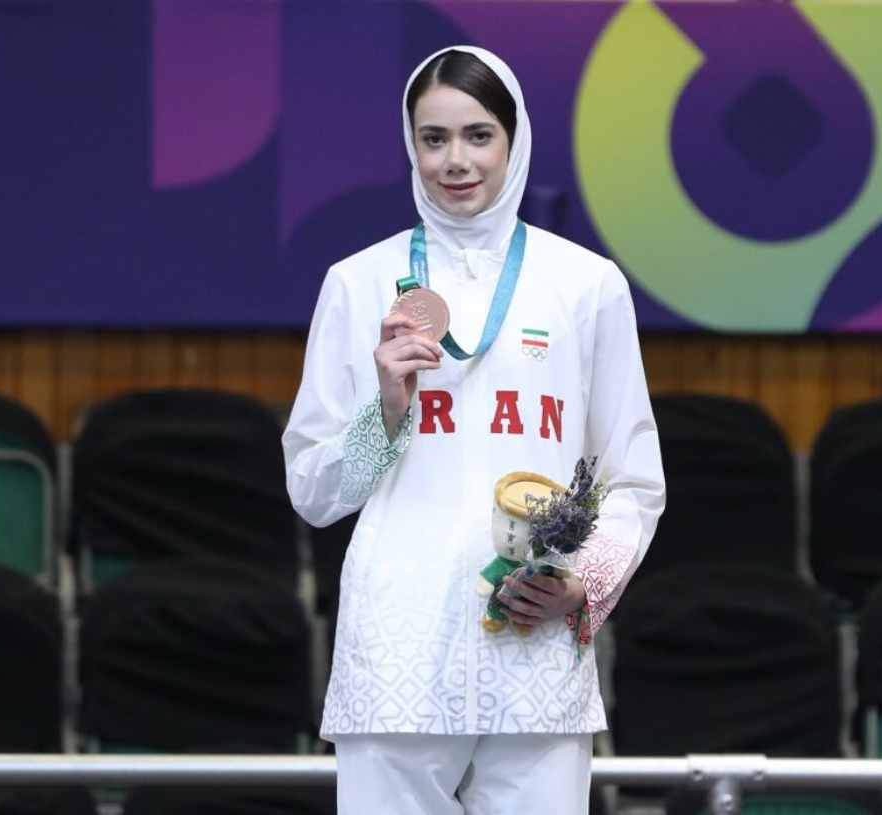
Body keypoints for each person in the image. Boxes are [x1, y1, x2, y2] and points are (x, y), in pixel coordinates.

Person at [282, 45, 666, 814]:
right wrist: (387, 410)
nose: (455, 160)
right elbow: (313, 492)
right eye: (434, 138)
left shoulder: (587, 286)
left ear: (514, 140)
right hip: (396, 644)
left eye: (478, 135)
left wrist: (581, 584)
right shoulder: (357, 283)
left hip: (533, 639)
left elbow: (631, 478)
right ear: (411, 145)